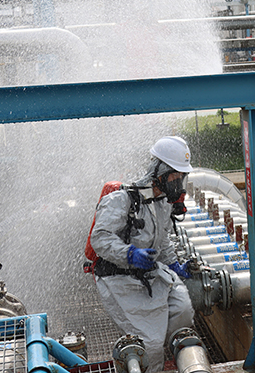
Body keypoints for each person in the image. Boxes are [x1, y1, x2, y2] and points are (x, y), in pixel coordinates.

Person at [90, 136, 195, 373]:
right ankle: (150, 363)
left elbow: (163, 239)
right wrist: (129, 254)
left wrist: (174, 265)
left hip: (149, 273)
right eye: (174, 176)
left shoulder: (163, 203)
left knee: (182, 309)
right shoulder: (122, 200)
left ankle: (168, 354)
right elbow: (100, 238)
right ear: (159, 172)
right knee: (149, 345)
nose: (178, 183)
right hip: (119, 279)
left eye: (181, 177)